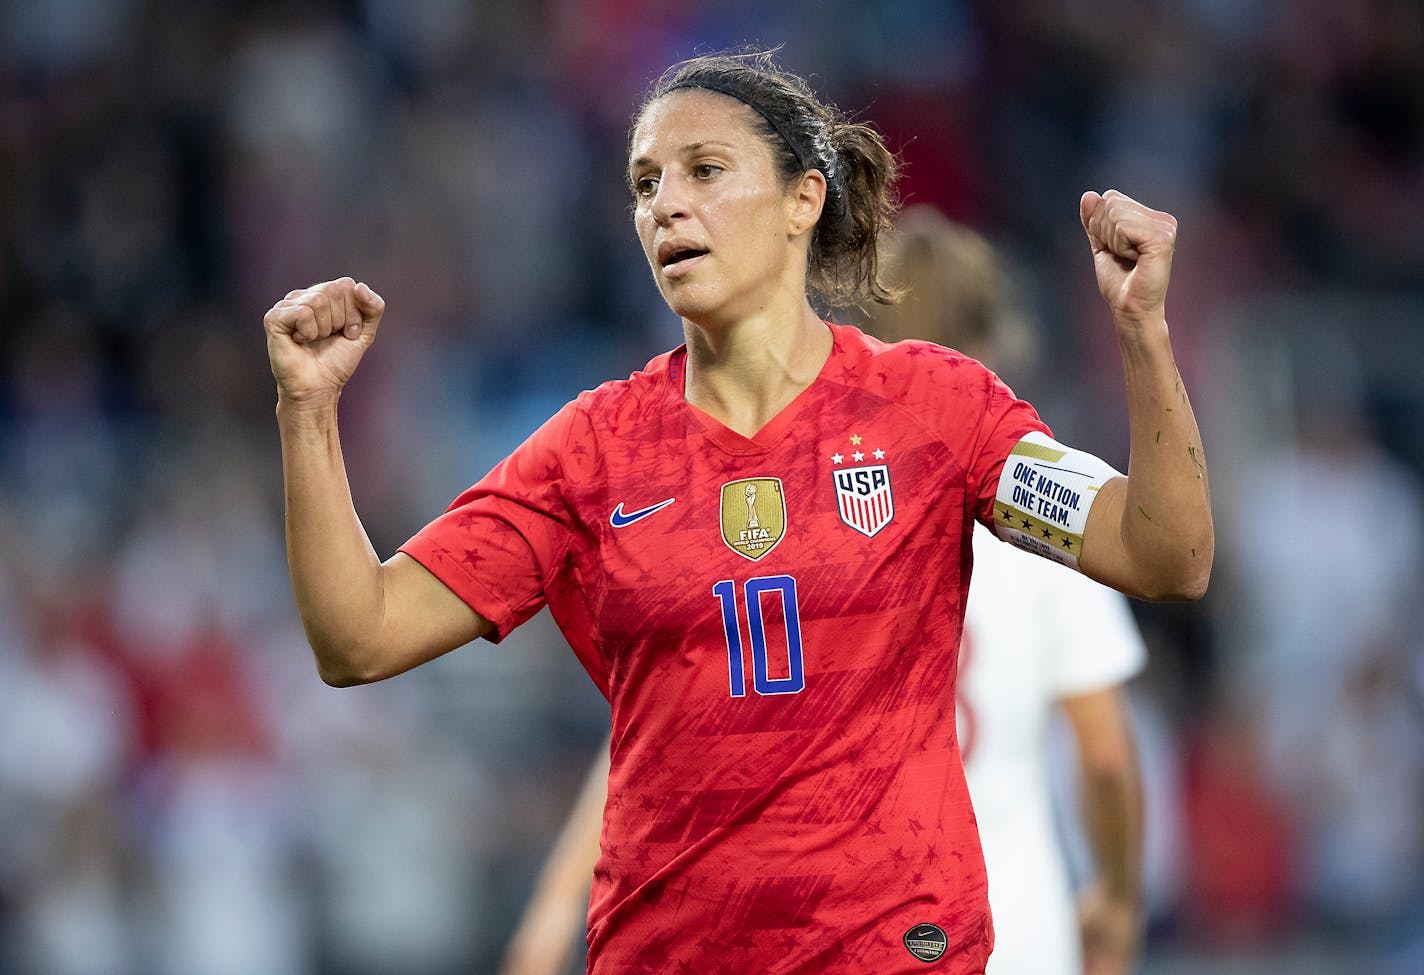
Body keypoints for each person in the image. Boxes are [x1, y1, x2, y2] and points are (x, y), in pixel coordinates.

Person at [262, 48, 1212, 975]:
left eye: (705, 170)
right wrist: (306, 412)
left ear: (804, 199)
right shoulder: (593, 450)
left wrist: (1142, 331)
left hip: (893, 947)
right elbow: (361, 636)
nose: (664, 204)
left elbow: (1165, 556)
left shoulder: (937, 408)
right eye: (644, 184)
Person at [497, 206, 1151, 975]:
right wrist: (1116, 895)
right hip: (1011, 923)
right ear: (992, 343)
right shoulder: (1043, 527)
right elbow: (1104, 755)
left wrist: (555, 901)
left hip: (851, 916)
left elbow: (669, 729)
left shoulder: (818, 516)